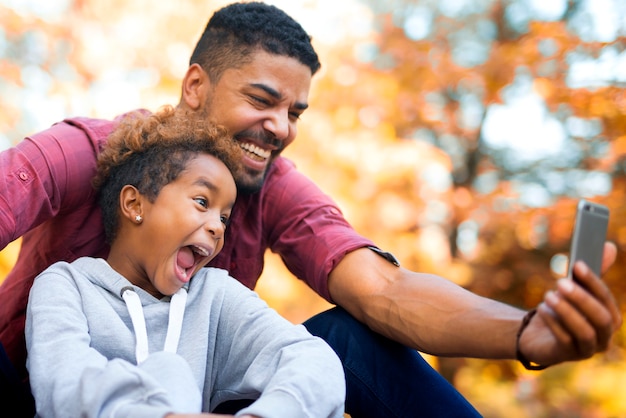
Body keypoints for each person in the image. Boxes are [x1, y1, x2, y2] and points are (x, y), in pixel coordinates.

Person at [0, 2, 621, 417]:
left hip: (198, 401)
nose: (280, 128)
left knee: (351, 338)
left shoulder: (271, 190)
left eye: (295, 113)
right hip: (36, 391)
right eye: (263, 100)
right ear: (196, 88)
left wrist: (525, 332)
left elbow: (382, 291)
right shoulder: (90, 155)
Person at [25, 106, 346, 418]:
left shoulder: (213, 297)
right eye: (202, 202)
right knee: (169, 369)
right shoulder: (64, 285)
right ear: (135, 204)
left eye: (224, 217)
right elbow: (62, 382)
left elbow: (313, 362)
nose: (218, 226)